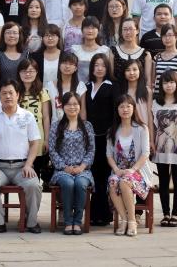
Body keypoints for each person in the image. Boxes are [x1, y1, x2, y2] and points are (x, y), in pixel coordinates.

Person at [0, 79, 43, 234]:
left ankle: (31, 222)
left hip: (22, 167)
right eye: (4, 93)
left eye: (11, 93)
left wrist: (29, 165)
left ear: (18, 95)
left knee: (34, 185)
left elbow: (34, 143)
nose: (8, 96)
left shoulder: (27, 116)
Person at [48, 92, 95, 235]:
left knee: (80, 184)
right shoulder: (56, 126)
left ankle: (77, 221)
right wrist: (64, 167)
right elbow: (52, 150)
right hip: (62, 170)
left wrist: (82, 166)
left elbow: (91, 150)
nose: (72, 107)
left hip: (83, 169)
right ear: (63, 106)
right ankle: (68, 222)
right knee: (68, 183)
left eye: (75, 104)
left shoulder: (87, 126)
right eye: (68, 104)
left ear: (80, 106)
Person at [106, 94, 153, 237]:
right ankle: (124, 219)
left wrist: (133, 169)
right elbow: (109, 155)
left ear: (133, 109)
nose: (125, 109)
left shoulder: (142, 128)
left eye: (128, 106)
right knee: (112, 182)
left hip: (138, 173)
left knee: (125, 182)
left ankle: (132, 221)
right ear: (117, 110)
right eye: (122, 106)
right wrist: (116, 169)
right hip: (119, 171)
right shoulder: (112, 130)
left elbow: (145, 153)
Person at [152, 70, 177, 228]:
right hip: (160, 148)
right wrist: (152, 144)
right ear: (161, 85)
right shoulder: (156, 103)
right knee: (163, 182)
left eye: (172, 82)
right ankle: (165, 214)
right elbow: (154, 127)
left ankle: (175, 214)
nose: (169, 85)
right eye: (166, 82)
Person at [83, 53, 117, 226]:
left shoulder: (112, 86)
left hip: (106, 137)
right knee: (93, 176)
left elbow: (115, 113)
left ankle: (104, 215)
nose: (99, 68)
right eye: (96, 65)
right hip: (90, 138)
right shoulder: (86, 86)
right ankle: (92, 214)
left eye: (103, 65)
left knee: (103, 176)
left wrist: (113, 133)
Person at [150, 24, 177, 99]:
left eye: (170, 35)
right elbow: (152, 81)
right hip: (158, 99)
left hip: (175, 99)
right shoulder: (157, 57)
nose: (167, 38)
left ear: (176, 37)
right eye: (164, 36)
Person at [71, 17, 111, 83]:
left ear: (98, 31)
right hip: (78, 86)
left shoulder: (104, 50)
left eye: (93, 28)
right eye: (87, 28)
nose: (90, 31)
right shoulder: (75, 49)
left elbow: (108, 73)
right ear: (82, 30)